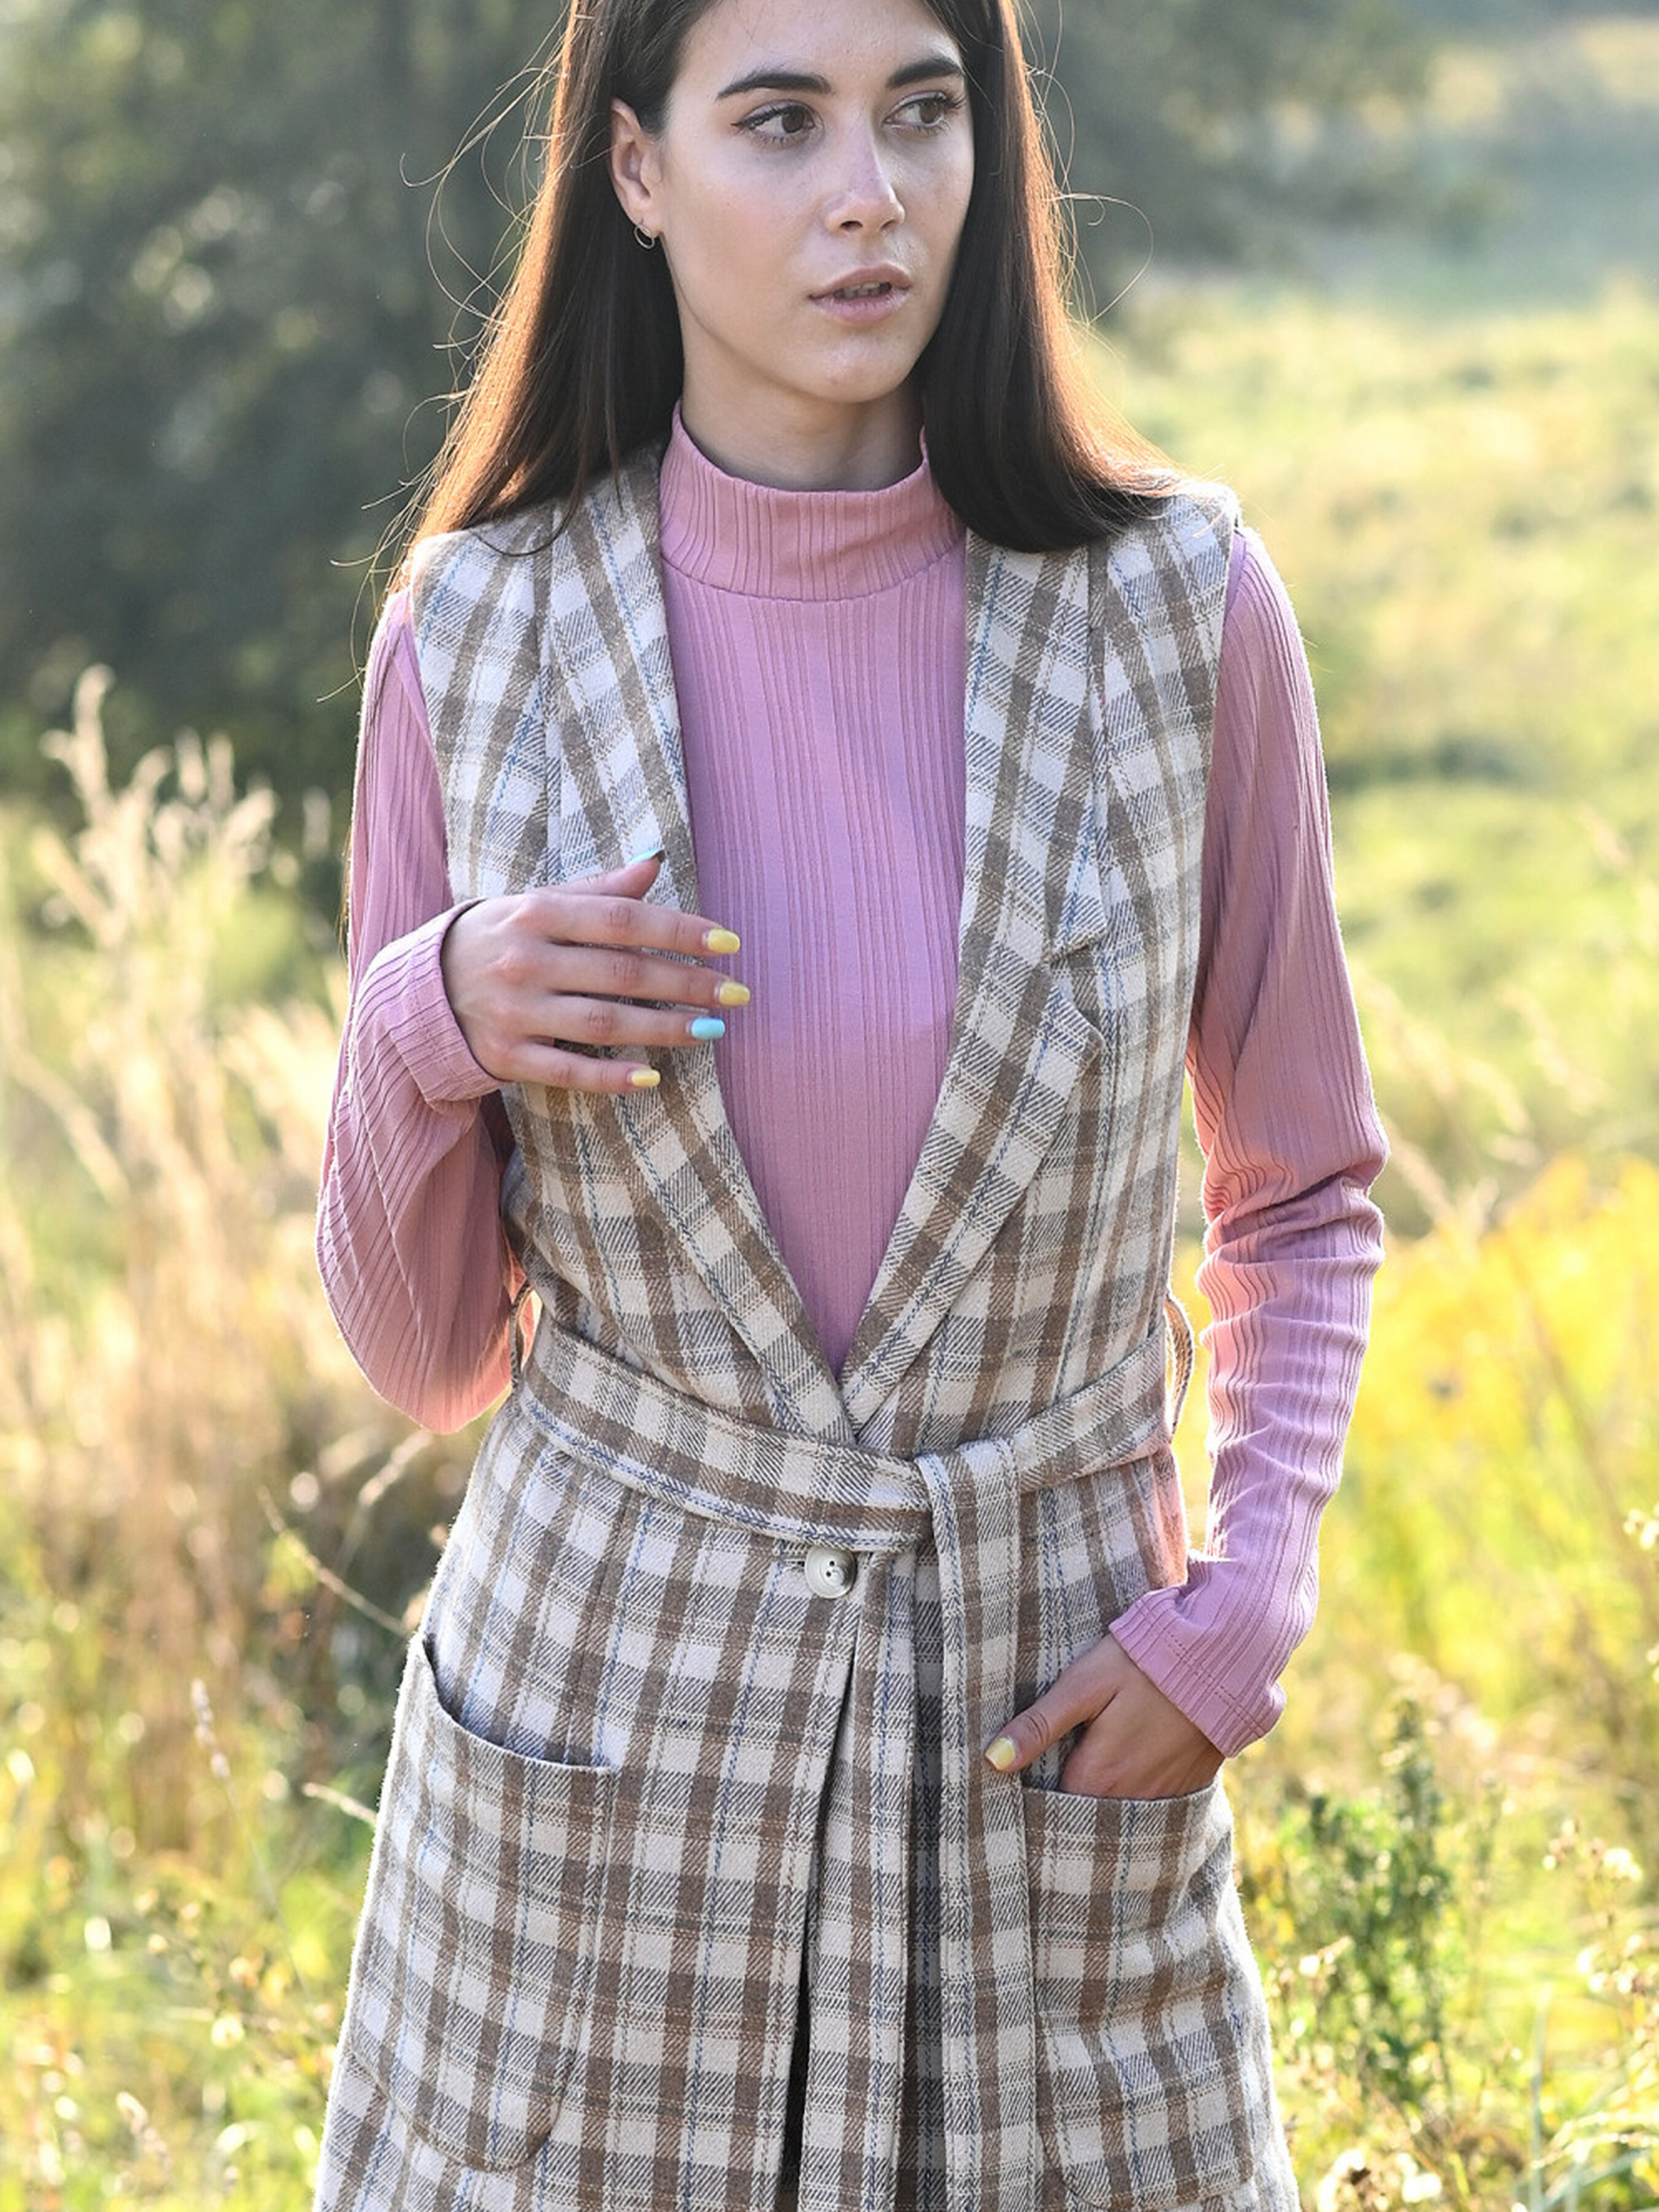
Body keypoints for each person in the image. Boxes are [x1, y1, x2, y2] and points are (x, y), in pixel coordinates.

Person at [311, 0, 1387, 2202]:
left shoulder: (1175, 612)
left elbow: (1298, 1188)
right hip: (599, 1760)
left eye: (920, 113)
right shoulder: (475, 638)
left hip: (1040, 1715)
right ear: (635, 170)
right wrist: (431, 1016)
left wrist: (1245, 1598)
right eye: (780, 125)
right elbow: (427, 1364)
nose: (868, 198)